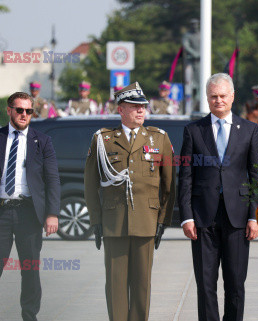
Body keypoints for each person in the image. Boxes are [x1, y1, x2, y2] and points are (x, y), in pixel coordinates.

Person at [84, 82, 176, 321]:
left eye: (143, 106)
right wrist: (95, 221)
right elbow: (90, 185)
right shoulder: (103, 140)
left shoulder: (159, 139)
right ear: (121, 109)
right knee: (115, 285)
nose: (141, 111)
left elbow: (168, 185)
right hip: (114, 222)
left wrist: (163, 221)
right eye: (134, 106)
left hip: (146, 221)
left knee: (142, 286)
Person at [178, 73, 258, 321]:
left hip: (238, 219)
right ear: (207, 98)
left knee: (235, 284)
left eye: (223, 96)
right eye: (213, 96)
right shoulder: (193, 131)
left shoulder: (249, 130)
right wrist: (186, 217)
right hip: (203, 219)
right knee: (205, 286)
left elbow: (256, 177)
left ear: (232, 96)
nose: (218, 101)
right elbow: (185, 176)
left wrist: (254, 217)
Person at [0, 92, 60, 321]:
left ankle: (29, 316)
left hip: (29, 215)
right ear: (9, 111)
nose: (24, 115)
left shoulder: (42, 141)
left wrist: (52, 214)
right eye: (19, 110)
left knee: (30, 271)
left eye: (28, 111)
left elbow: (52, 179)